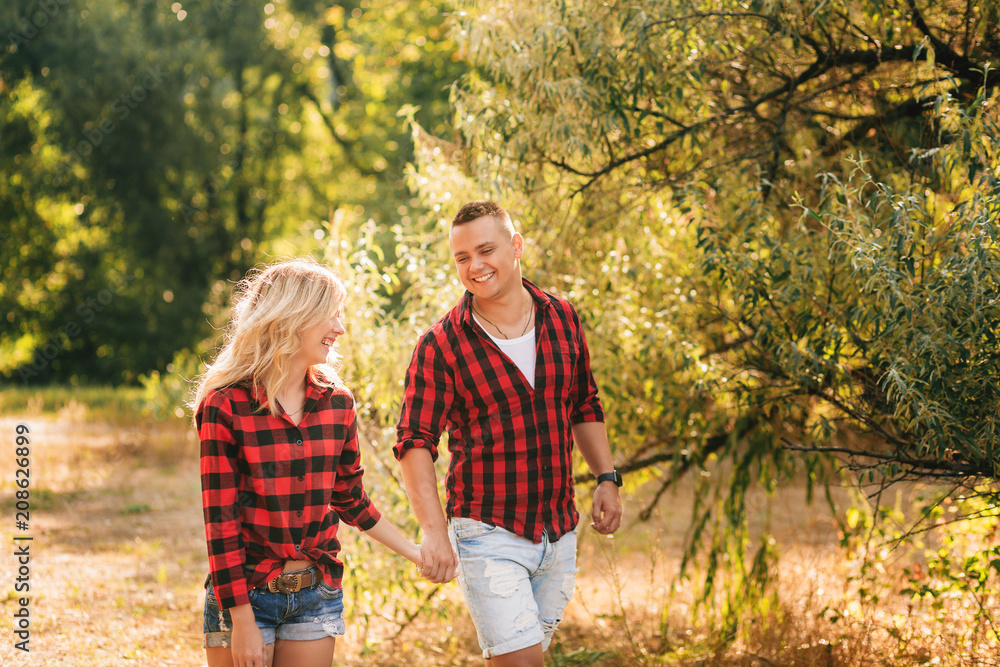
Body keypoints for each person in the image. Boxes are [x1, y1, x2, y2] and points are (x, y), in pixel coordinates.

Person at [394, 200, 623, 666]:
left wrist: (606, 477)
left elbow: (584, 402)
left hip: (559, 531)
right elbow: (414, 441)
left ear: (516, 246)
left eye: (486, 250)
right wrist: (434, 532)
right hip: (487, 531)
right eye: (462, 258)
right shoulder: (441, 344)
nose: (475, 266)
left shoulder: (562, 317)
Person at [191, 258, 423, 667]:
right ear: (292, 315)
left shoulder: (338, 403)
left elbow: (350, 499)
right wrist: (241, 619)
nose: (340, 328)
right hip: (246, 595)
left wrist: (418, 553)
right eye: (330, 314)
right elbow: (221, 523)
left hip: (316, 594)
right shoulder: (225, 405)